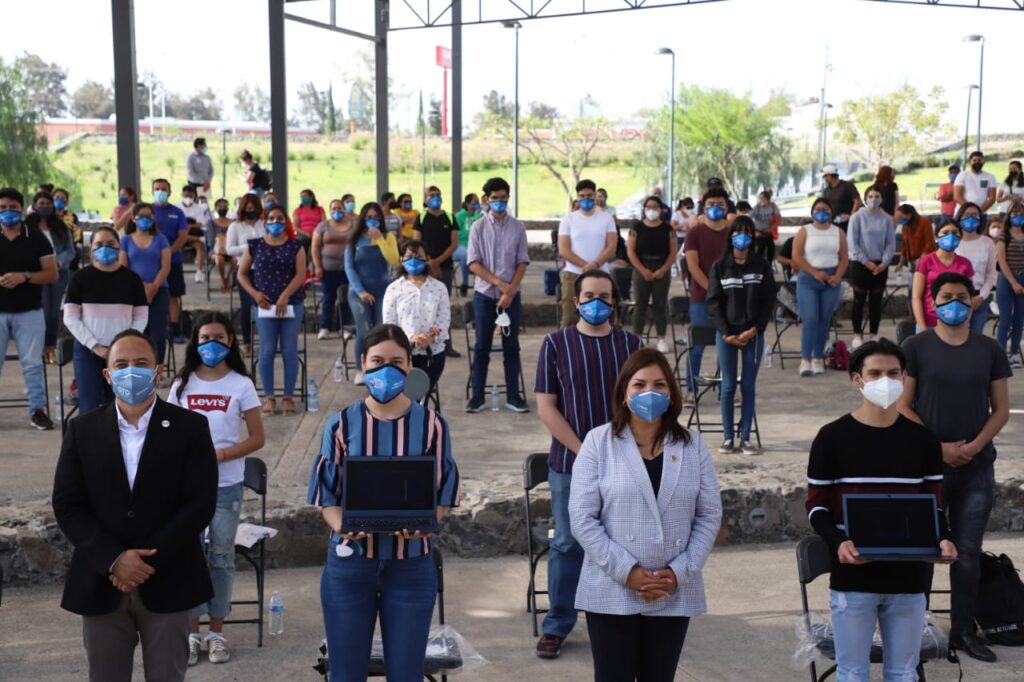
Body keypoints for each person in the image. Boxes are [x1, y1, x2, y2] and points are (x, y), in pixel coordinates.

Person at [51, 328, 217, 682]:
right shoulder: (82, 430)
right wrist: (114, 558)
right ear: (107, 374)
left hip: (169, 579)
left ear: (158, 370)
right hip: (102, 582)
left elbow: (200, 503)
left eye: (141, 363)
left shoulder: (190, 427)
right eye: (121, 364)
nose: (131, 371)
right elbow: (67, 505)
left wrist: (144, 561)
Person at [307, 324, 460, 682]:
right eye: (377, 361)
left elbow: (442, 495)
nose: (386, 369)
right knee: (345, 674)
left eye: (396, 361)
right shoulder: (340, 424)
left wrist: (425, 522)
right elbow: (327, 496)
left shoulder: (433, 426)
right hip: (350, 565)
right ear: (362, 363)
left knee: (407, 674)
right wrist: (343, 525)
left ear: (409, 366)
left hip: (411, 567)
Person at [807, 339, 957, 680]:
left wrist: (944, 538)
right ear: (856, 379)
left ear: (904, 377)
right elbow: (816, 506)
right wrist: (838, 542)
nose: (885, 381)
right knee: (852, 673)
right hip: (852, 579)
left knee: (903, 672)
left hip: (909, 579)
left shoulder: (924, 441)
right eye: (875, 373)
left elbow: (934, 505)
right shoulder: (831, 437)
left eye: (893, 373)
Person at [569, 348, 722, 682]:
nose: (649, 392)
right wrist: (628, 571)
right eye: (639, 385)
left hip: (672, 587)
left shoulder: (693, 446)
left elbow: (709, 514)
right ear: (624, 394)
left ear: (672, 393)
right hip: (612, 586)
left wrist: (679, 572)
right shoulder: (598, 443)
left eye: (659, 385)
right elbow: (581, 517)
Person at [898, 272, 1012, 662]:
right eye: (946, 296)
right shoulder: (915, 347)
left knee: (967, 555)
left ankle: (963, 631)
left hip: (977, 468)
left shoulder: (989, 349)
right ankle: (916, 630)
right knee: (924, 552)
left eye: (962, 296)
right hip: (928, 469)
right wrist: (939, 449)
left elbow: (1001, 410)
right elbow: (903, 406)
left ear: (973, 301)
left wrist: (973, 447)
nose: (955, 303)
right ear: (933, 302)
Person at [532, 270, 643, 659]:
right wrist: (585, 450)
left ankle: (619, 615)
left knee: (623, 539)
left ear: (615, 302)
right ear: (576, 301)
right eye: (589, 295)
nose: (597, 302)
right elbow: (546, 406)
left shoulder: (630, 344)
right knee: (567, 543)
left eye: (604, 296)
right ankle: (557, 624)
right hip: (569, 462)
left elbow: (643, 401)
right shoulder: (556, 344)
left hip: (624, 461)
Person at [167, 312, 265, 666]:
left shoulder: (241, 384)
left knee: (221, 557)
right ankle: (193, 633)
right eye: (205, 337)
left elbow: (257, 438)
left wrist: (221, 455)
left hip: (226, 486)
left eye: (219, 337)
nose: (212, 344)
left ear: (231, 341)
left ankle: (217, 632)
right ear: (195, 342)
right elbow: (166, 432)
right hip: (186, 490)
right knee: (190, 558)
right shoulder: (182, 384)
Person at [706, 217, 775, 455]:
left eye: (747, 232)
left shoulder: (761, 265)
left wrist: (755, 328)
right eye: (737, 232)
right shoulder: (720, 266)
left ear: (753, 236)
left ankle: (745, 438)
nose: (742, 237)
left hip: (753, 333)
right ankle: (728, 438)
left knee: (747, 385)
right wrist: (726, 333)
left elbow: (768, 300)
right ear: (730, 236)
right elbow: (713, 302)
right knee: (727, 387)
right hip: (727, 334)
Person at [64, 227, 148, 414]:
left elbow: (141, 316)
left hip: (124, 353)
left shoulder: (132, 279)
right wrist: (95, 347)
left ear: (119, 247)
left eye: (111, 244)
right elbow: (70, 318)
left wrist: (124, 343)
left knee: (121, 407)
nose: (105, 248)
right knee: (88, 408)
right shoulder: (80, 278)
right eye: (99, 244)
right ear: (91, 248)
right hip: (88, 351)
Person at [465, 177, 530, 413]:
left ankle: (513, 396)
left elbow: (522, 262)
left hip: (511, 296)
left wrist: (510, 290)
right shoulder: (478, 227)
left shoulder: (518, 227)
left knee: (511, 346)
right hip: (485, 295)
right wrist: (500, 284)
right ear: (486, 200)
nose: (499, 202)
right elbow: (473, 263)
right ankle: (477, 396)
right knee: (482, 346)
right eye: (495, 198)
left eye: (503, 198)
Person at [237, 204, 306, 416]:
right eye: (272, 218)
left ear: (286, 221)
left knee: (289, 350)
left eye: (280, 218)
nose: (276, 222)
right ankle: (269, 396)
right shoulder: (255, 245)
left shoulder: (296, 246)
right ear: (265, 221)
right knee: (266, 350)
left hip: (291, 304)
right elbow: (241, 274)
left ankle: (288, 396)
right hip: (264, 305)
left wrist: (285, 295)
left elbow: (300, 274)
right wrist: (255, 294)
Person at [0, 187, 58, 430]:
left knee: (33, 364)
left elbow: (52, 274)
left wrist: (24, 276)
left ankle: (37, 409)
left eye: (13, 207)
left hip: (30, 312)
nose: (8, 212)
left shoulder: (36, 238)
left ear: (22, 209)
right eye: (2, 208)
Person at [382, 240, 451, 391]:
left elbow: (444, 320)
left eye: (419, 256)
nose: (414, 260)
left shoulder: (439, 288)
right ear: (401, 260)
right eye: (409, 256)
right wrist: (411, 338)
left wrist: (430, 337)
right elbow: (389, 324)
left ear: (427, 259)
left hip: (433, 354)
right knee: (405, 395)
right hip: (402, 356)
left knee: (420, 392)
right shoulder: (394, 289)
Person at [792, 197, 849, 376]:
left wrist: (837, 276)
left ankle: (818, 357)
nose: (822, 212)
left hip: (831, 280)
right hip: (809, 279)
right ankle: (805, 359)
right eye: (818, 209)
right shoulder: (805, 231)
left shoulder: (838, 232)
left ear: (831, 212)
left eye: (826, 209)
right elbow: (797, 256)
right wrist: (815, 273)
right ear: (812, 212)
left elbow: (844, 257)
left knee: (824, 320)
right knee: (810, 319)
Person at [683, 187, 733, 394]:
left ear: (727, 207)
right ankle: (691, 390)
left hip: (730, 298)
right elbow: (693, 266)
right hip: (701, 298)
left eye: (720, 204)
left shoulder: (733, 232)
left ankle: (725, 388)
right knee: (697, 346)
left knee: (727, 344)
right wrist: (713, 290)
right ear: (704, 208)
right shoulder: (694, 233)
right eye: (711, 204)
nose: (715, 208)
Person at [345, 202, 399, 385]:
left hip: (382, 289)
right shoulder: (354, 240)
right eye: (369, 217)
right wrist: (361, 291)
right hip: (359, 292)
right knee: (364, 330)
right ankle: (361, 369)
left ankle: (378, 368)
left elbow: (393, 259)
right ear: (362, 219)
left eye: (376, 217)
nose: (372, 220)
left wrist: (380, 239)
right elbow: (349, 268)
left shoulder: (388, 237)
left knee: (380, 331)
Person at [557, 179, 618, 327]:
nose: (586, 199)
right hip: (573, 274)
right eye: (582, 196)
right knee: (570, 317)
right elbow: (563, 248)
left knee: (603, 315)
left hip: (601, 273)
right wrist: (585, 265)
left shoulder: (606, 218)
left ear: (595, 196)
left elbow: (611, 246)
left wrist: (595, 264)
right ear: (577, 197)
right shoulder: (568, 220)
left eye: (589, 195)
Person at [26, 191, 75, 364]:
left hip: (59, 274)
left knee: (53, 312)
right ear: (34, 206)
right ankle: (40, 347)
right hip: (38, 273)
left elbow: (70, 251)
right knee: (44, 311)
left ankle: (50, 347)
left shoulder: (61, 227)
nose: (45, 207)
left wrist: (58, 262)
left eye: (48, 204)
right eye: (41, 203)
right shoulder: (28, 228)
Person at [120, 203, 172, 366]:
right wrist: (142, 287)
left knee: (158, 333)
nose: (145, 219)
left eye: (149, 216)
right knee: (136, 333)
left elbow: (166, 266)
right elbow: (123, 267)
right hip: (134, 292)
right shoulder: (126, 240)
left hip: (159, 290)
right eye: (141, 216)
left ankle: (157, 368)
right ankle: (138, 366)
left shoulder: (161, 239)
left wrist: (153, 287)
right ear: (133, 218)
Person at [413, 186, 460, 359]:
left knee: (443, 306)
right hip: (425, 268)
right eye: (431, 195)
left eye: (438, 195)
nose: (435, 198)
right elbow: (416, 244)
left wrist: (438, 262)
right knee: (424, 305)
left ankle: (446, 344)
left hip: (444, 267)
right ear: (425, 199)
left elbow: (454, 244)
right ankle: (422, 341)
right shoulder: (421, 218)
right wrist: (430, 263)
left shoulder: (450, 217)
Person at [847, 186, 896, 349]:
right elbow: (852, 242)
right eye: (870, 196)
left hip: (880, 265)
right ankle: (856, 334)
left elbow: (890, 243)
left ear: (882, 199)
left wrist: (885, 262)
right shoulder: (857, 217)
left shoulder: (887, 219)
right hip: (860, 264)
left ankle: (874, 333)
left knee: (876, 302)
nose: (873, 199)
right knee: (859, 300)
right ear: (865, 198)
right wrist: (865, 261)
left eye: (877, 196)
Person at [627, 195, 677, 352]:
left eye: (655, 207)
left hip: (662, 267)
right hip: (641, 268)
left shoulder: (668, 229)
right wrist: (643, 270)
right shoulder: (636, 228)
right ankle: (637, 339)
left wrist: (663, 269)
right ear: (644, 209)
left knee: (660, 305)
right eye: (649, 207)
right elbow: (631, 251)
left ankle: (661, 338)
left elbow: (673, 251)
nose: (652, 210)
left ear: (661, 209)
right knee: (640, 305)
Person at [912, 221, 974, 330]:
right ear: (936, 237)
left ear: (960, 237)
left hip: (958, 324)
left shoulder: (965, 263)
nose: (950, 236)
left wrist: (965, 323)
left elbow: (970, 297)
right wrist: (922, 327)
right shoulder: (925, 261)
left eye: (955, 232)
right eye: (945, 232)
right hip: (929, 323)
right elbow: (916, 297)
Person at [149, 179, 189, 343]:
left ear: (170, 192)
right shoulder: (147, 211)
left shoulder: (177, 212)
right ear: (152, 191)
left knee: (174, 296)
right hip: (150, 261)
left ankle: (174, 330)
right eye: (157, 189)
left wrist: (167, 253)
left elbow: (183, 236)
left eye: (163, 189)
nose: (160, 192)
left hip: (173, 261)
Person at [226, 194, 266, 354]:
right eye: (249, 208)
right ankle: (247, 342)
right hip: (245, 270)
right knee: (247, 305)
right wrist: (248, 248)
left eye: (254, 208)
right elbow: (230, 249)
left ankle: (266, 340)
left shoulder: (264, 224)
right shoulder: (235, 226)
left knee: (264, 303)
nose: (252, 211)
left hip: (263, 270)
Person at [312, 198, 354, 340]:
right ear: (330, 211)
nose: (337, 211)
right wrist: (318, 266)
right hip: (328, 269)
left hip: (349, 269)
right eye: (334, 208)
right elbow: (315, 247)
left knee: (346, 299)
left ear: (344, 209)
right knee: (328, 299)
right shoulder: (323, 226)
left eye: (339, 208)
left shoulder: (353, 225)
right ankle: (325, 327)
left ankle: (345, 327)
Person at [955, 202, 998, 334]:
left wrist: (981, 297)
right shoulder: (953, 241)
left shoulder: (987, 243)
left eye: (974, 215)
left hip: (979, 297)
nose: (970, 218)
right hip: (955, 297)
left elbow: (991, 275)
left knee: (975, 337)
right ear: (959, 217)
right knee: (956, 336)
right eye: (966, 215)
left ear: (980, 218)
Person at [996, 202, 1024, 368]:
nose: (1018, 216)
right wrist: (1013, 282)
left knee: (1019, 320)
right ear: (1009, 216)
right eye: (1014, 213)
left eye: (1021, 213)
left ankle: (1014, 354)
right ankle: (1000, 355)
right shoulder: (1004, 235)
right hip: (1007, 280)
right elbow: (1001, 260)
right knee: (1005, 320)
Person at [954, 151, 997, 224]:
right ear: (969, 162)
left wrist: (979, 211)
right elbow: (957, 196)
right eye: (974, 160)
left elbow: (992, 198)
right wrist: (970, 210)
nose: (977, 162)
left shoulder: (990, 177)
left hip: (981, 214)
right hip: (963, 213)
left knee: (981, 231)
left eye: (979, 160)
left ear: (983, 162)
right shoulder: (962, 176)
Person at [179, 185, 210, 284]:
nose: (188, 198)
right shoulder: (177, 207)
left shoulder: (198, 209)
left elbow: (201, 223)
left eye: (190, 196)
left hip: (193, 233)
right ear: (182, 195)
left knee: (200, 246)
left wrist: (190, 226)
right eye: (186, 196)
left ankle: (199, 272)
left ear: (194, 196)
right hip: (180, 235)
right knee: (175, 243)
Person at [453, 193, 481, 296]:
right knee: (465, 254)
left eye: (478, 202)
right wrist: (470, 233)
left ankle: (480, 285)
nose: (477, 204)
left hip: (476, 246)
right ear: (468, 204)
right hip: (460, 246)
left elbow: (480, 231)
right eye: (475, 202)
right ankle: (465, 283)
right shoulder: (459, 216)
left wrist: (477, 216)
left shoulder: (479, 216)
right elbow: (456, 234)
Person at [894, 203, 936, 273]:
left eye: (901, 216)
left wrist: (921, 259)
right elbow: (904, 247)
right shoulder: (905, 227)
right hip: (912, 261)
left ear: (909, 214)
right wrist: (900, 263)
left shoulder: (924, 222)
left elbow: (930, 243)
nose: (899, 219)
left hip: (925, 259)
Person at [819, 164, 863, 232]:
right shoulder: (826, 191)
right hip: (833, 225)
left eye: (824, 176)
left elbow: (858, 201)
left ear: (830, 176)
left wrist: (851, 217)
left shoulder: (847, 186)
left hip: (848, 226)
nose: (824, 179)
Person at [210, 198, 234, 293]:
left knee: (236, 259)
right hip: (216, 250)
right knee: (219, 259)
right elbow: (210, 241)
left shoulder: (233, 222)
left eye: (225, 206)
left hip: (231, 250)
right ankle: (222, 278)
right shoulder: (211, 222)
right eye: (220, 206)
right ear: (216, 208)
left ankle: (228, 277)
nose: (223, 208)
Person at [750, 190, 780, 263]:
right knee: (761, 246)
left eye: (763, 198)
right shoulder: (757, 207)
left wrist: (772, 228)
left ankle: (769, 264)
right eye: (760, 198)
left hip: (767, 231)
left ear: (768, 199)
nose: (761, 200)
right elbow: (749, 219)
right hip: (758, 231)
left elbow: (779, 218)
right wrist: (754, 231)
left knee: (771, 247)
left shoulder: (772, 206)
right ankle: (759, 264)